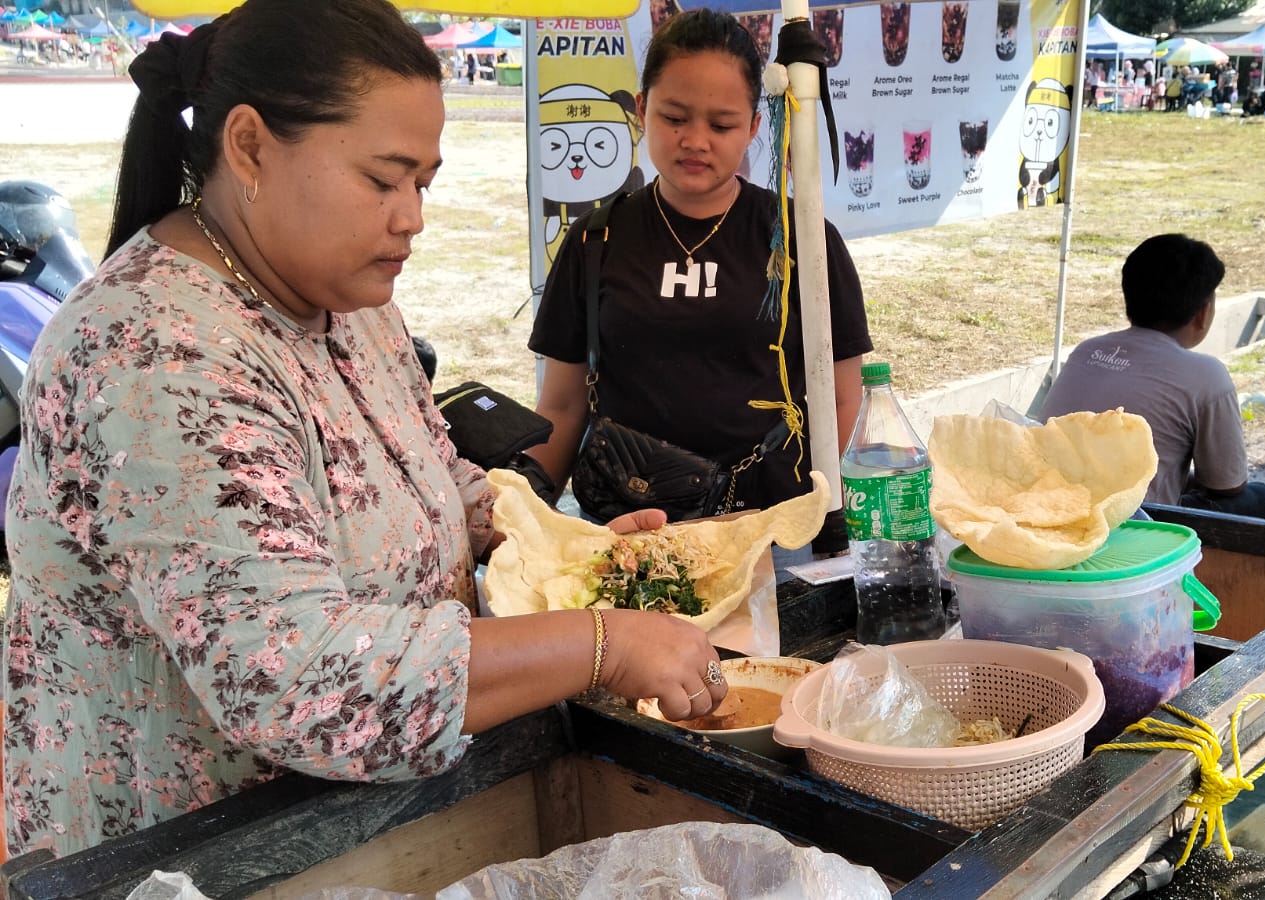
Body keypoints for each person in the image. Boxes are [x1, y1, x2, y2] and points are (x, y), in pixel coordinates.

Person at [3, 0, 729, 860]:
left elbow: (432, 478)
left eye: (423, 182)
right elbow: (300, 680)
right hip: (188, 860)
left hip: (356, 833)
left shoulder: (342, 299)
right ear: (249, 147)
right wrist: (600, 644)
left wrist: (564, 549)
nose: (412, 216)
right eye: (383, 179)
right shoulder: (155, 353)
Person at [528, 10, 872, 525]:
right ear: (642, 109)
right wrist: (525, 522)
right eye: (674, 117)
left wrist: (820, 518)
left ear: (754, 125)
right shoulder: (593, 240)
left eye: (721, 123)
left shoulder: (804, 239)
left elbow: (845, 399)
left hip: (771, 529)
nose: (695, 140)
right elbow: (561, 406)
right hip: (632, 534)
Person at [1039, 234, 1265, 523]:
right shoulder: (1206, 374)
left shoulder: (1087, 350)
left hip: (1048, 505)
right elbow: (1227, 484)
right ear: (1203, 313)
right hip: (1136, 522)